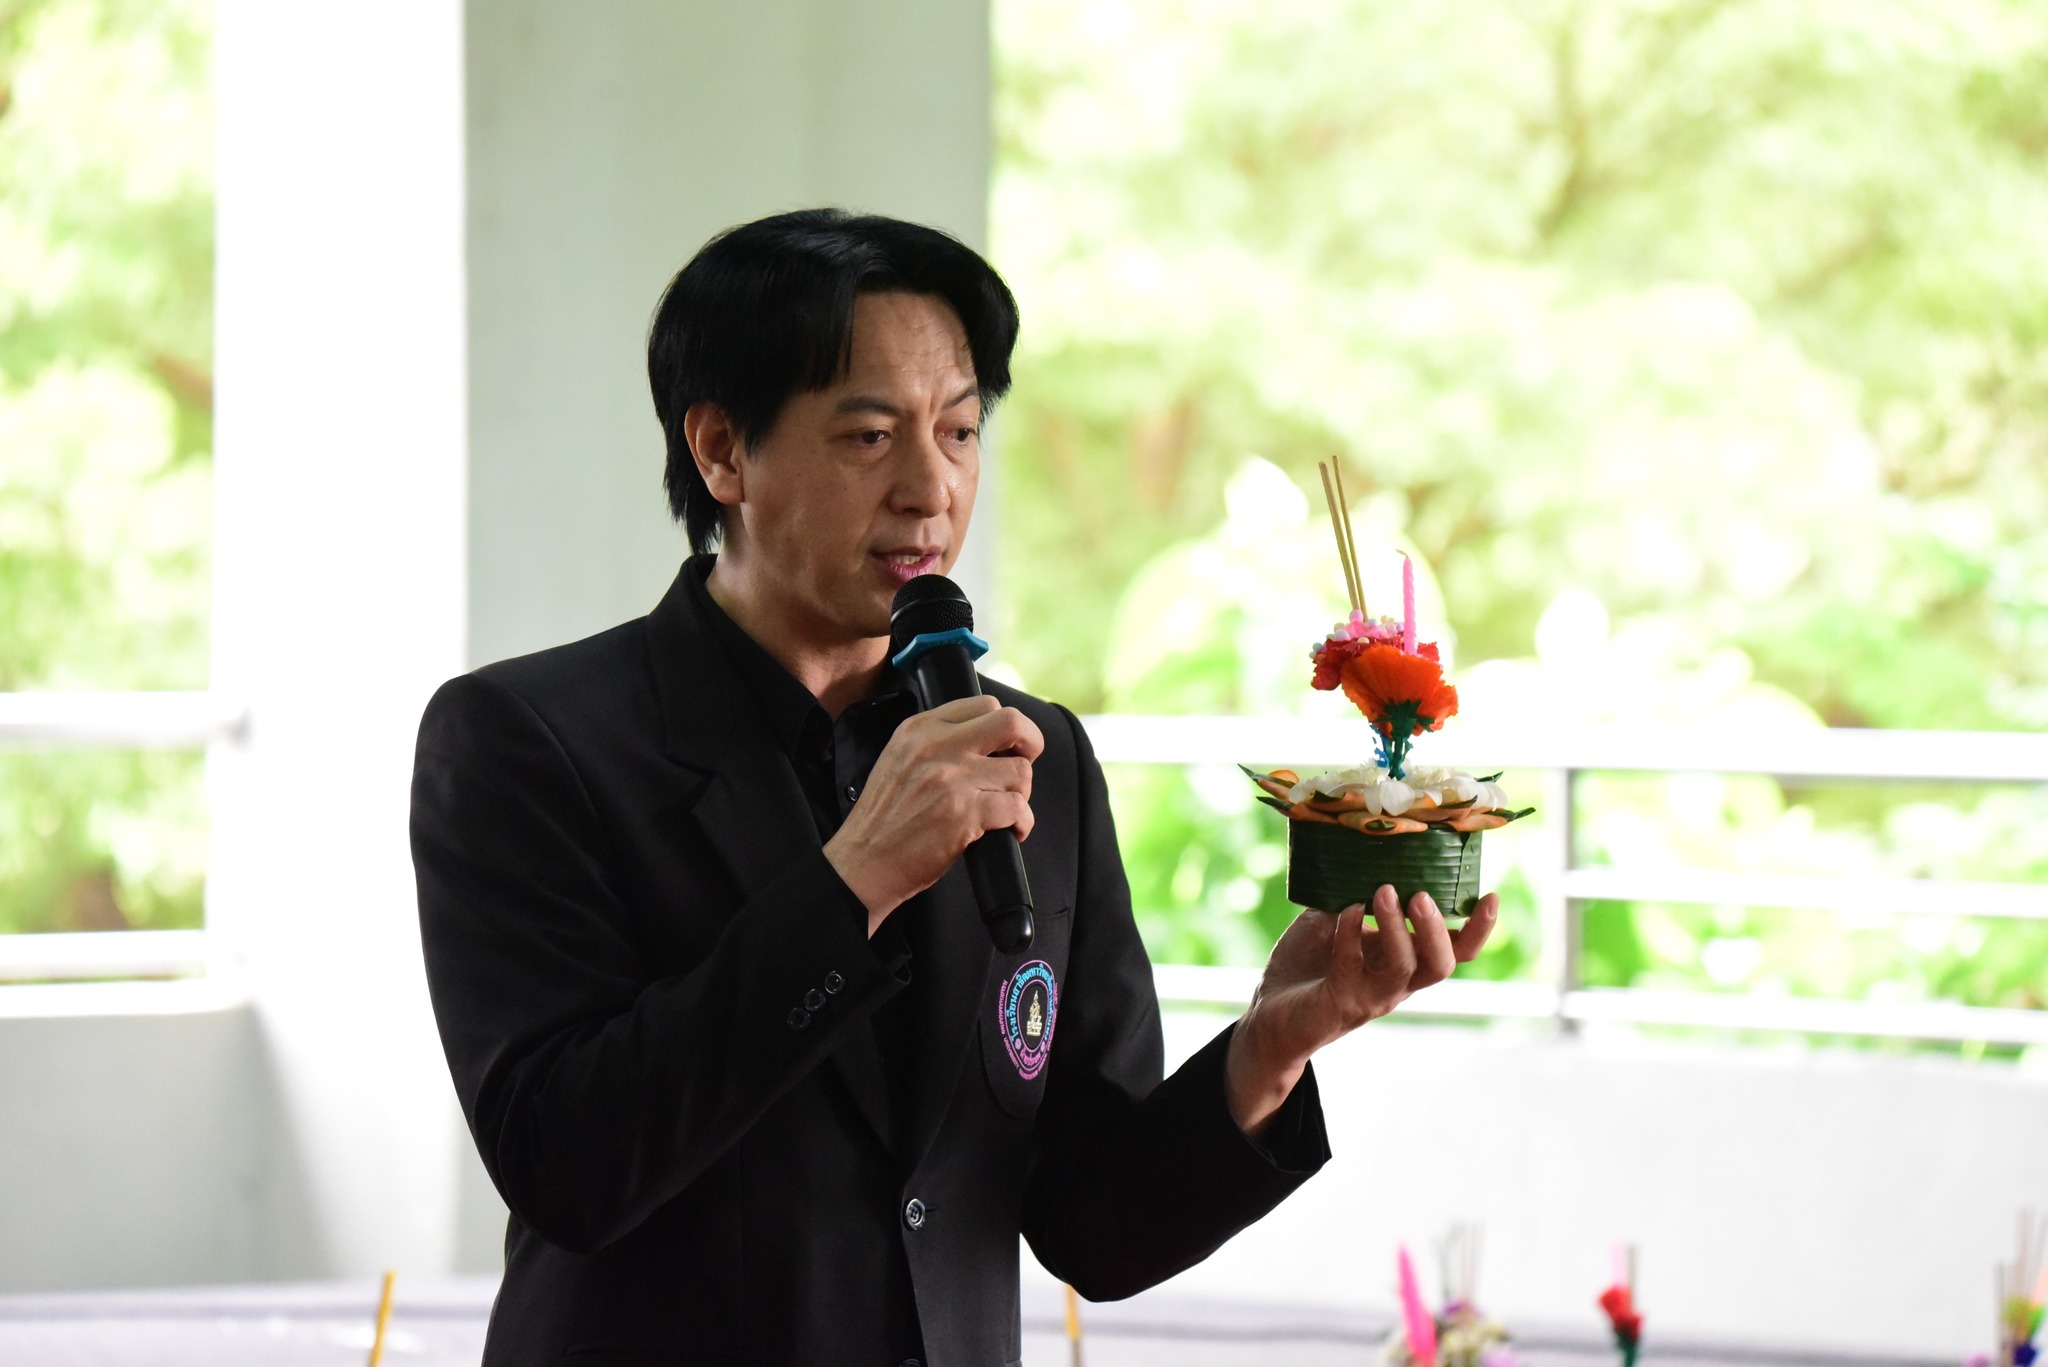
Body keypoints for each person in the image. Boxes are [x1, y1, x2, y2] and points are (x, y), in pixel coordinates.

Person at [410, 209, 1498, 1367]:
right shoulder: (527, 740)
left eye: (961, 430)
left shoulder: (1036, 755)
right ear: (722, 450)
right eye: (869, 435)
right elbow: (566, 1165)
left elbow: (1094, 1225)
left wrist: (1269, 1046)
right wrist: (853, 880)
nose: (931, 488)